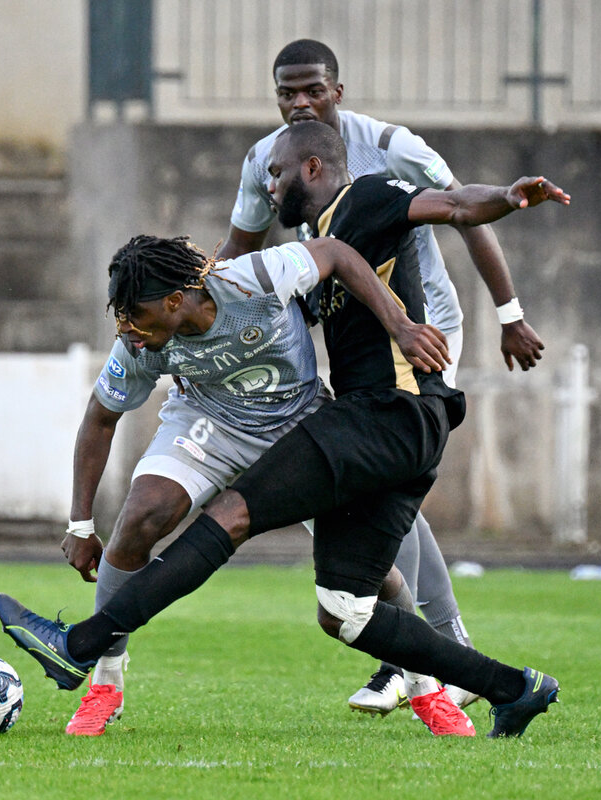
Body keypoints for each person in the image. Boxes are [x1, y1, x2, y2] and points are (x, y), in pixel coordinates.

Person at [0, 121, 565, 738]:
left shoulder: (357, 205)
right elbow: (102, 414)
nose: (267, 186)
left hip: (375, 416)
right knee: (343, 610)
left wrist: (503, 204)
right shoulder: (305, 242)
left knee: (236, 517)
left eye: (275, 173)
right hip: (317, 422)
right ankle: (515, 689)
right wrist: (81, 524)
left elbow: (448, 206)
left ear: (312, 168)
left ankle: (77, 645)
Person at [217, 38, 545, 714]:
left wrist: (510, 314)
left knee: (388, 483)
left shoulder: (390, 146)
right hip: (351, 332)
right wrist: (198, 309)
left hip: (422, 331)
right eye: (287, 93)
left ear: (337, 90)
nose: (300, 102)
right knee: (385, 497)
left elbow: (462, 211)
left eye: (312, 89)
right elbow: (240, 250)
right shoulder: (265, 160)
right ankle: (429, 652)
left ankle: (416, 656)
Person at [54, 232, 447, 735]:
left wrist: (402, 325)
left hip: (299, 426)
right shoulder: (137, 345)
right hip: (210, 422)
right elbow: (100, 418)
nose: (127, 328)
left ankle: (423, 685)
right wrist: (81, 524)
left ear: (174, 301)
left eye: (136, 315)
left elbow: (334, 252)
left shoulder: (254, 279)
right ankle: (105, 684)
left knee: (367, 569)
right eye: (121, 316)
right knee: (140, 516)